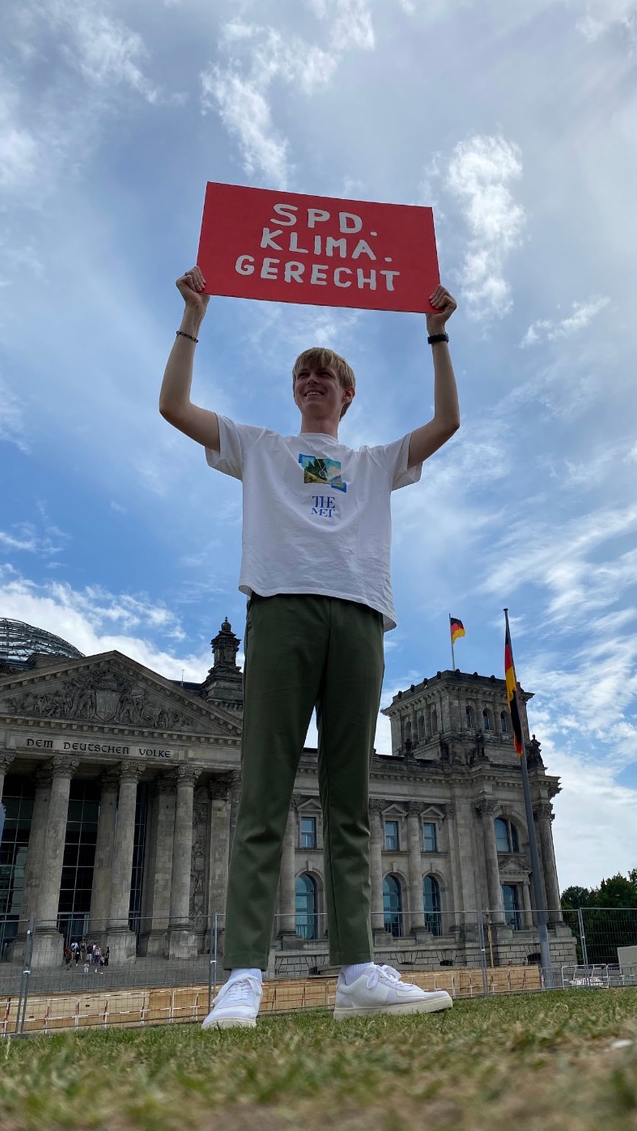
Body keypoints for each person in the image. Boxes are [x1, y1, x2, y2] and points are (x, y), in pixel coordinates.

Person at [160, 265, 461, 1028]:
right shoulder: (259, 447)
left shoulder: (372, 462)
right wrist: (193, 317)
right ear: (295, 392)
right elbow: (172, 406)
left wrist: (436, 333)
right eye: (304, 374)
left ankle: (358, 971)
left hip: (360, 616)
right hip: (282, 609)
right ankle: (243, 978)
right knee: (263, 790)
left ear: (347, 394)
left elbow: (447, 422)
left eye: (326, 374)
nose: (314, 381)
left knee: (349, 800)